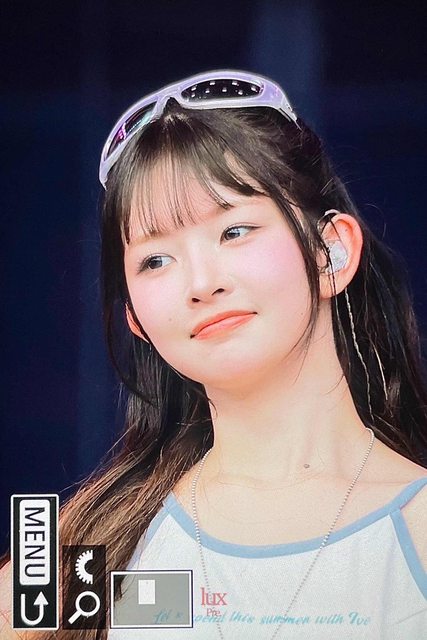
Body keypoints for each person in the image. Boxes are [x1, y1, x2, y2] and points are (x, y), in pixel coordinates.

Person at [1, 70, 427, 639]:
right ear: (136, 319)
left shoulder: (417, 529)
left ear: (330, 251)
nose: (201, 284)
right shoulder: (94, 551)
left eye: (235, 231)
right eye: (155, 260)